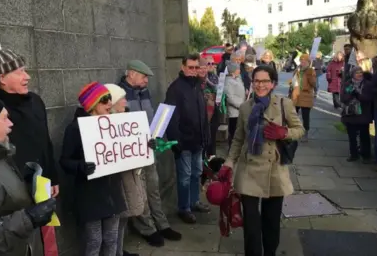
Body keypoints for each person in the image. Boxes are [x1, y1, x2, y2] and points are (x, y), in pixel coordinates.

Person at [0, 50, 60, 254]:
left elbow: (45, 141)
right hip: (9, 198)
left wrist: (52, 176)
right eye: (19, 72)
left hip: (38, 188)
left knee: (43, 243)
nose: (27, 77)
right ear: (1, 78)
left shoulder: (36, 101)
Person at [218, 65, 305, 256]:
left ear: (273, 83)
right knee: (250, 221)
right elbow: (238, 139)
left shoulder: (284, 104)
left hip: (274, 170)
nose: (260, 85)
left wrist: (284, 132)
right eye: (257, 81)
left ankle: (270, 252)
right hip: (248, 169)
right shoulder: (245, 107)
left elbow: (300, 130)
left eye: (265, 81)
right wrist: (228, 164)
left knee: (271, 220)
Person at [118, 60, 181, 246]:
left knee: (153, 187)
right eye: (144, 76)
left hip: (148, 148)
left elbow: (150, 116)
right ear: (131, 74)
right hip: (132, 152)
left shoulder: (143, 92)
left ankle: (161, 223)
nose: (146, 80)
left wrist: (156, 134)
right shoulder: (119, 95)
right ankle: (147, 228)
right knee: (140, 192)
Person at [60, 82, 126, 256]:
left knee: (112, 237)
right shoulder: (74, 129)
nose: (109, 103)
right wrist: (80, 166)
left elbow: (128, 147)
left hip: (111, 189)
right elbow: (65, 161)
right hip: (90, 192)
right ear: (92, 104)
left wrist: (145, 146)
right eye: (104, 100)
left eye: (109, 99)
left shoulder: (113, 124)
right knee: (94, 240)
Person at [165, 53, 211, 224]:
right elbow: (171, 118)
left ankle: (194, 201)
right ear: (183, 68)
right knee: (184, 176)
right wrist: (176, 142)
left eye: (196, 67)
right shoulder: (175, 89)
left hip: (198, 140)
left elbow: (203, 115)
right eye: (190, 67)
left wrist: (206, 136)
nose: (193, 71)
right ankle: (184, 208)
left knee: (196, 173)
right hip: (184, 141)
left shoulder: (198, 86)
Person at [103, 84, 143, 256]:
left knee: (123, 218)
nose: (126, 102)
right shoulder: (106, 124)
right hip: (116, 179)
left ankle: (119, 251)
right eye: (122, 99)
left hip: (128, 175)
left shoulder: (126, 119)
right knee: (115, 221)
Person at [340, 67, 373, 163]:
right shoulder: (348, 84)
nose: (359, 74)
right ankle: (353, 154)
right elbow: (343, 98)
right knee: (352, 136)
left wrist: (358, 94)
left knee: (364, 136)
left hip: (363, 114)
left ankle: (366, 155)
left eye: (360, 72)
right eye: (356, 73)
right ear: (352, 74)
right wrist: (351, 94)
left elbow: (368, 98)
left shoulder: (367, 84)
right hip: (351, 114)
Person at [290, 54, 317, 142]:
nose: (302, 62)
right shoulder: (297, 70)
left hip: (306, 96)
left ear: (308, 62)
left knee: (305, 116)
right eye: (301, 60)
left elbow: (313, 84)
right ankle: (295, 131)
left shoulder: (310, 71)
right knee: (293, 115)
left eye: (305, 61)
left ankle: (305, 133)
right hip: (296, 95)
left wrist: (310, 75)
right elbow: (292, 81)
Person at [224, 62, 246, 148]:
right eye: (238, 69)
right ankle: (232, 149)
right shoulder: (228, 81)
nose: (239, 70)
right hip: (234, 111)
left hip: (240, 109)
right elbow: (230, 97)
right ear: (233, 71)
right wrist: (240, 105)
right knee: (233, 132)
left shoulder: (238, 78)